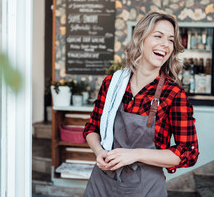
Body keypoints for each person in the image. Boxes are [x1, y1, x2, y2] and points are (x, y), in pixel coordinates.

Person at [82, 12, 199, 197]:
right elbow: (91, 128)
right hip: (101, 183)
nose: (165, 44)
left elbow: (188, 153)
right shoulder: (113, 83)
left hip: (145, 188)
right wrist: (99, 152)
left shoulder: (173, 94)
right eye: (158, 36)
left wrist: (134, 154)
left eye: (170, 40)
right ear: (141, 39)